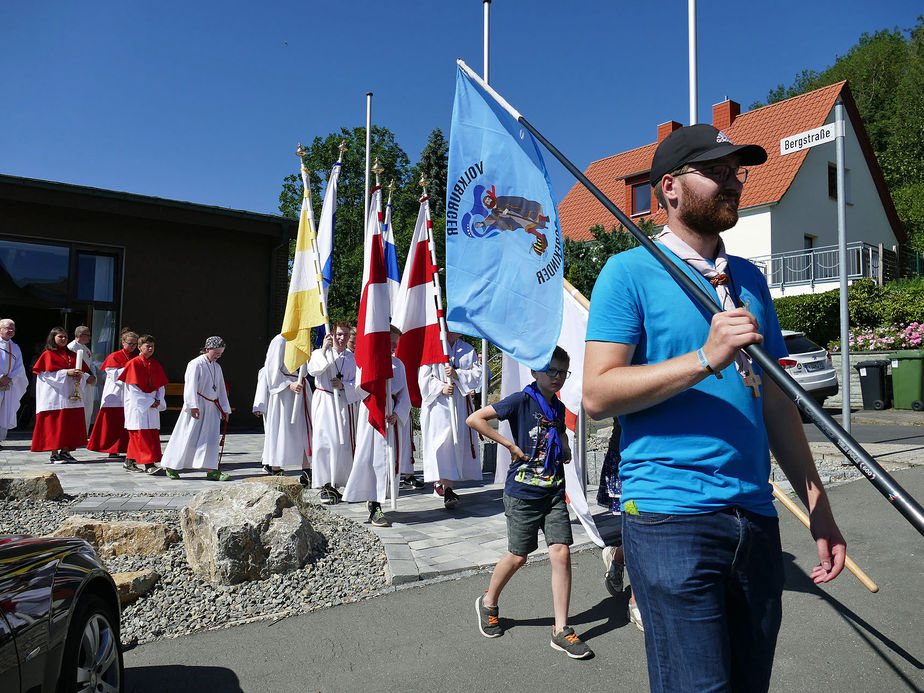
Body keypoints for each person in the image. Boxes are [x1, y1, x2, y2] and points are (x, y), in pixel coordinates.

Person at [583, 124, 846, 692]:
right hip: (670, 517)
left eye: (736, 172)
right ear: (670, 188)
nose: (733, 182)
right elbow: (597, 394)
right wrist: (706, 355)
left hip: (755, 518)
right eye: (717, 171)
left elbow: (775, 402)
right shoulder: (628, 273)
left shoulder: (749, 278)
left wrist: (819, 506)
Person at [467, 346, 592, 659]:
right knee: (518, 556)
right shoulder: (522, 401)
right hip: (522, 494)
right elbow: (475, 418)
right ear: (536, 372)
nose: (558, 378)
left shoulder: (558, 407)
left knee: (561, 553)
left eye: (563, 372)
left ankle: (561, 629)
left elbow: (560, 433)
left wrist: (564, 447)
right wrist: (508, 444)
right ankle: (488, 602)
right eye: (552, 371)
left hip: (552, 491)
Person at [343, 326, 412, 527]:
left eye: (395, 344)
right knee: (371, 458)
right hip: (373, 414)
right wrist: (377, 396)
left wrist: (397, 413)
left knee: (388, 461)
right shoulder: (367, 362)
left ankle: (379, 500)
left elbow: (405, 395)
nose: (393, 347)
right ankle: (373, 503)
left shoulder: (399, 364)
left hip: (391, 417)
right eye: (390, 342)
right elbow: (360, 389)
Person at [418, 332, 482, 509]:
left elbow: (477, 375)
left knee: (454, 444)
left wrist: (457, 374)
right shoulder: (433, 347)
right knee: (441, 443)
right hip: (438, 406)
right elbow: (423, 378)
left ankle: (447, 487)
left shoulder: (467, 349)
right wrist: (441, 387)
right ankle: (444, 485)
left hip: (458, 405)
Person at [161, 336, 232, 481]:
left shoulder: (217, 367)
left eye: (221, 353)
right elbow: (190, 386)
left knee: (211, 438)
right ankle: (171, 465)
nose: (218, 356)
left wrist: (225, 408)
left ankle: (212, 470)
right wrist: (192, 405)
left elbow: (221, 389)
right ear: (207, 349)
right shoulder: (195, 364)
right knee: (187, 434)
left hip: (212, 406)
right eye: (216, 352)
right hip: (197, 405)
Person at [307, 321, 360, 502]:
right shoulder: (319, 353)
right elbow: (314, 370)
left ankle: (337, 482)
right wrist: (323, 350)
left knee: (341, 443)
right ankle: (324, 485)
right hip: (324, 401)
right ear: (332, 335)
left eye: (345, 335)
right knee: (324, 442)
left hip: (342, 403)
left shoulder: (352, 358)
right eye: (338, 334)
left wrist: (344, 385)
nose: (341, 338)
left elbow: (358, 384)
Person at [31, 326, 96, 462]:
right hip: (54, 396)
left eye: (65, 336)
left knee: (69, 423)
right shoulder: (48, 354)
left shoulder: (72, 354)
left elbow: (83, 371)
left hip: (71, 394)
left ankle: (66, 451)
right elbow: (45, 374)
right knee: (55, 424)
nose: (63, 339)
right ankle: (54, 453)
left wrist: (82, 376)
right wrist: (67, 372)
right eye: (60, 336)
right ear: (53, 338)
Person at [262, 334, 313, 484]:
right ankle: (276, 467)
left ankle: (306, 469)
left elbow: (309, 368)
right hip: (283, 393)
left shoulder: (304, 339)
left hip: (301, 388)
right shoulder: (280, 340)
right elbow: (271, 369)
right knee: (281, 428)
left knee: (305, 429)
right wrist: (288, 384)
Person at [119, 334, 168, 474]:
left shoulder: (155, 364)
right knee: (140, 435)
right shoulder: (133, 364)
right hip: (138, 405)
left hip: (151, 404)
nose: (151, 348)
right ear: (140, 347)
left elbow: (160, 386)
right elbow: (132, 389)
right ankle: (149, 464)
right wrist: (150, 401)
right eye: (148, 346)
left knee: (148, 434)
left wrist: (158, 400)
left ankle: (129, 462)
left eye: (152, 346)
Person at [87, 331, 139, 458]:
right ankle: (112, 449)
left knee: (126, 423)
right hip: (115, 395)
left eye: (134, 344)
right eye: (129, 343)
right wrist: (130, 369)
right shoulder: (114, 356)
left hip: (130, 396)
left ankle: (126, 448)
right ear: (123, 342)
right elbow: (114, 375)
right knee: (112, 424)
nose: (132, 346)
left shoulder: (135, 358)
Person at [0, 319, 28, 448]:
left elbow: (19, 366)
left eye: (12, 329)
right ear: (0, 329)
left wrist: (10, 377)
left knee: (4, 412)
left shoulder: (15, 347)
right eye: (7, 328)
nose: (10, 331)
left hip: (7, 385)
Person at [67, 325, 97, 431]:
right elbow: (72, 366)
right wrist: (86, 376)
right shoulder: (71, 347)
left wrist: (93, 376)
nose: (89, 337)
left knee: (88, 408)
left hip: (87, 383)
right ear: (80, 335)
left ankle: (84, 433)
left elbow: (91, 365)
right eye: (87, 335)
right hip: (77, 382)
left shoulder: (87, 349)